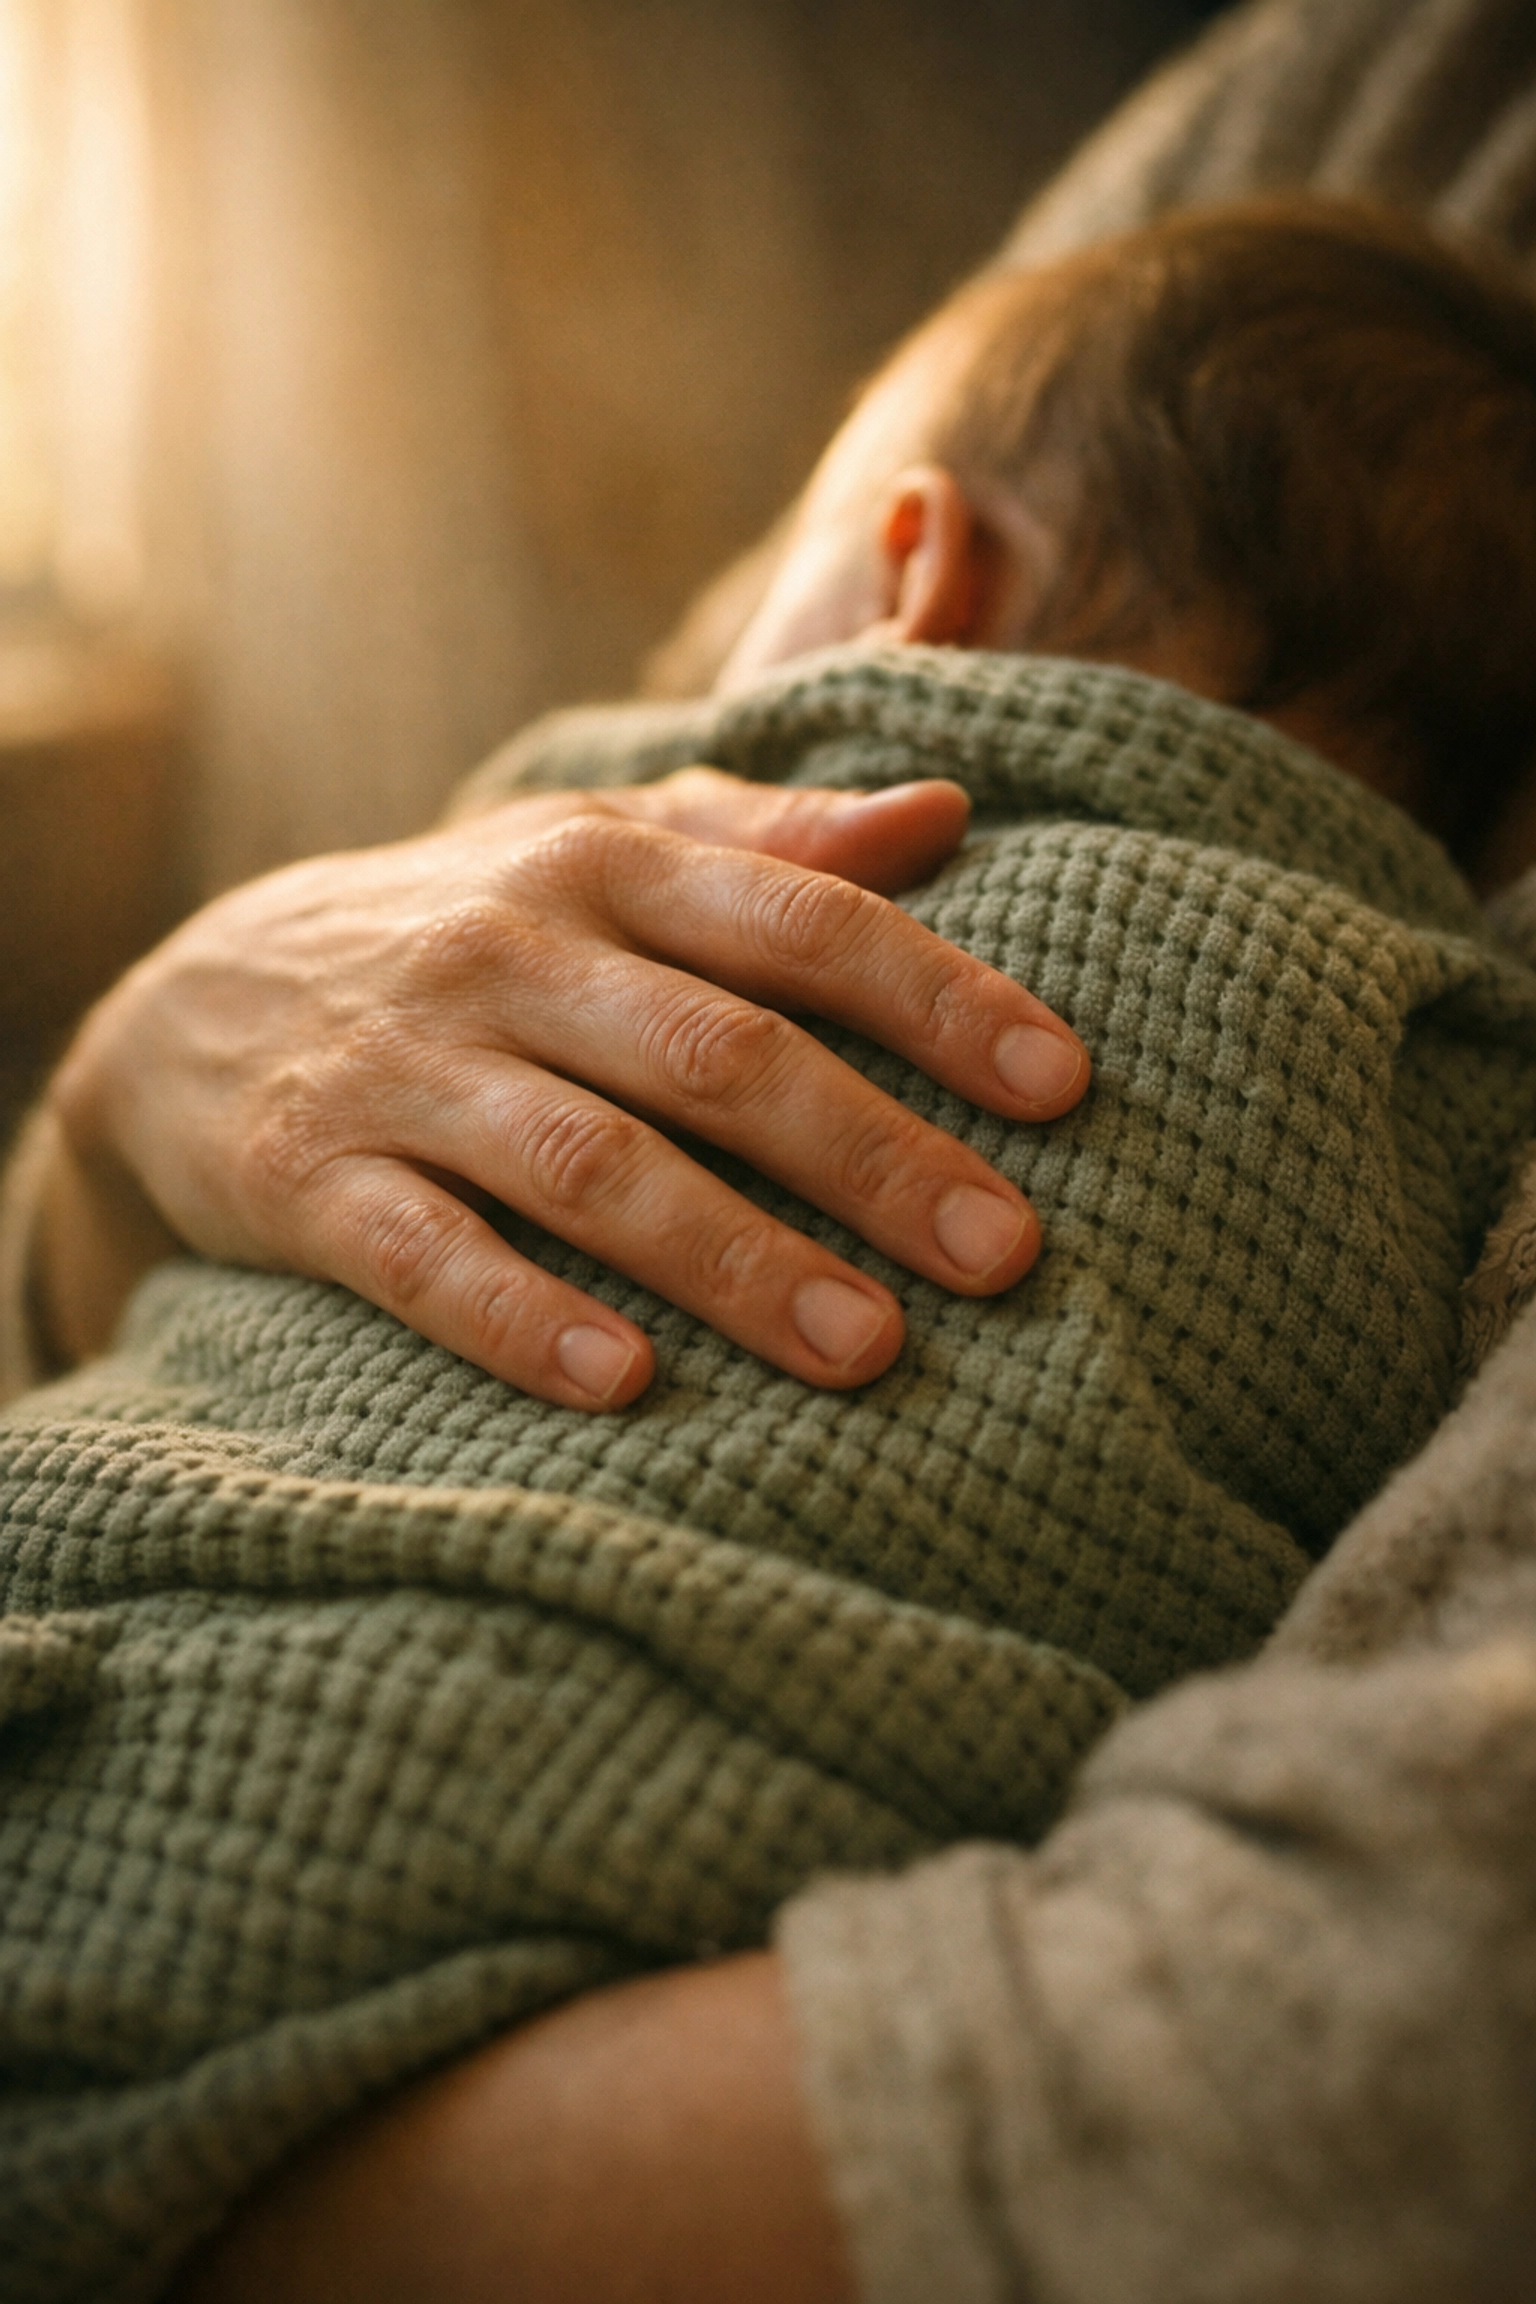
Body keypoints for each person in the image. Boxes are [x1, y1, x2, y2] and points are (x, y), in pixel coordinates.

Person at [6, 193, 1536, 2304]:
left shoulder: (627, 803)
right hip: (540, 1892)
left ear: (920, 569)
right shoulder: (1436, 1076)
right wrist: (117, 1097)